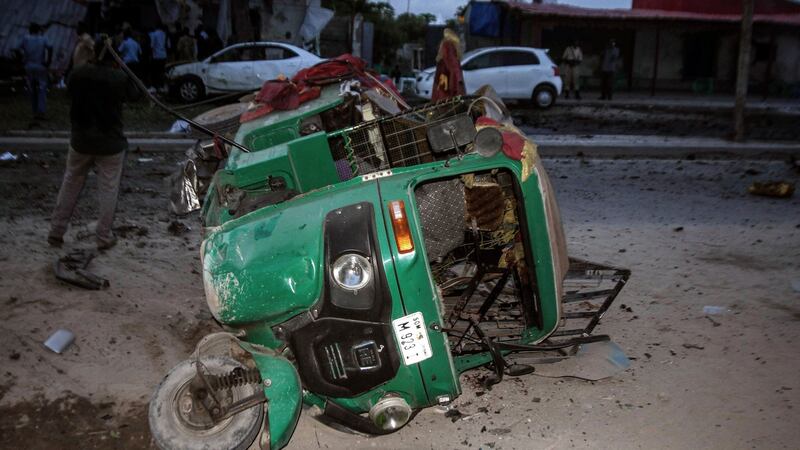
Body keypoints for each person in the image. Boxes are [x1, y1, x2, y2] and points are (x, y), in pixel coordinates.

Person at [48, 36, 141, 250]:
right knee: (108, 190)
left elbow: (69, 90)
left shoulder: (79, 73)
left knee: (70, 183)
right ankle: (103, 237)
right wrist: (123, 68)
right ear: (115, 55)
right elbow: (135, 94)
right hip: (110, 144)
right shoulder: (118, 77)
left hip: (81, 141)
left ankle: (56, 231)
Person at [18, 23, 52, 120]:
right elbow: (50, 47)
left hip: (29, 65)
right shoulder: (43, 38)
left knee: (32, 88)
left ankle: (34, 111)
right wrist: (48, 61)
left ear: (30, 30)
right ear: (38, 30)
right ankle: (41, 111)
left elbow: (17, 49)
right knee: (42, 89)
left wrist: (21, 60)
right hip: (40, 66)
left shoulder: (25, 39)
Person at [431, 28, 464, 101]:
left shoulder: (444, 46)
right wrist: (458, 79)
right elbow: (453, 64)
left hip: (442, 80)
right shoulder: (449, 45)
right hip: (448, 81)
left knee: (441, 100)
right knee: (448, 102)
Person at [149, 23, 169, 90]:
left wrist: (151, 55)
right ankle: (162, 86)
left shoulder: (154, 34)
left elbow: (152, 46)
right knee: (162, 71)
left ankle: (154, 86)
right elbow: (167, 45)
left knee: (154, 72)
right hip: (163, 55)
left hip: (156, 55)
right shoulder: (164, 34)